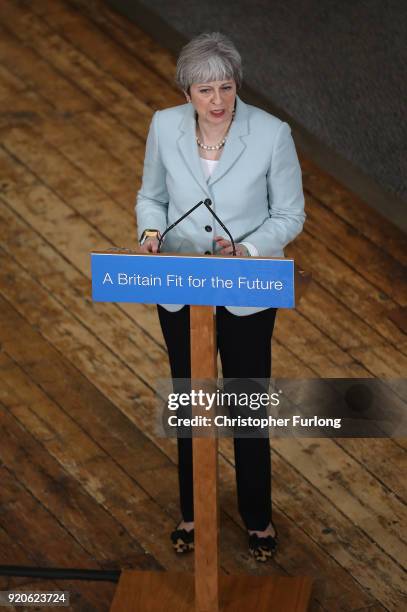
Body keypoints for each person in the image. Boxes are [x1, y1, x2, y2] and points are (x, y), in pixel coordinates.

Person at [136, 32, 305, 562]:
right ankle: (192, 511)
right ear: (186, 91)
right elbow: (151, 196)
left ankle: (257, 518)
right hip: (180, 284)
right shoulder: (164, 125)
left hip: (247, 287)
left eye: (226, 88)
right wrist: (149, 233)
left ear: (237, 86)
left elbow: (290, 215)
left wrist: (249, 247)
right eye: (204, 89)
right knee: (191, 402)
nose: (217, 101)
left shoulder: (273, 134)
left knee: (246, 403)